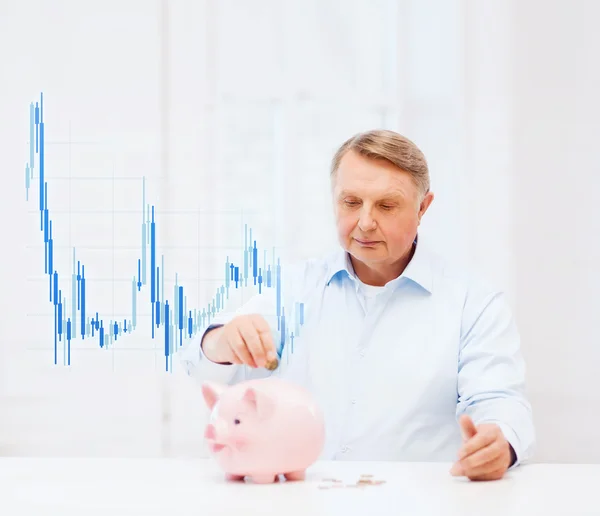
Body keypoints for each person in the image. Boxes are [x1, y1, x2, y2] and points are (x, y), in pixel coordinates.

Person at [178, 129, 535, 481]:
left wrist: (500, 442)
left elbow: (499, 399)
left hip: (418, 506)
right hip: (303, 505)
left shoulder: (473, 303)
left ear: (423, 207)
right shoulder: (294, 288)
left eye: (387, 205)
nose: (365, 223)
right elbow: (199, 362)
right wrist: (222, 342)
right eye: (351, 203)